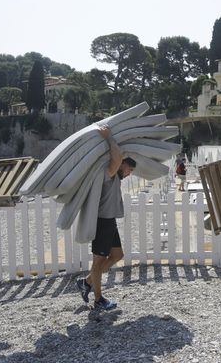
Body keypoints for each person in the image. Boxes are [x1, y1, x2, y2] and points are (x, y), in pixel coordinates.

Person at [76, 125, 136, 310]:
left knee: (118, 255)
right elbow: (117, 157)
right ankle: (98, 300)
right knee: (98, 261)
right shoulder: (109, 173)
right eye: (129, 169)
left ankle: (86, 282)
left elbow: (119, 159)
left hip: (109, 221)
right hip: (102, 221)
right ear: (122, 165)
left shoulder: (116, 177)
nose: (129, 173)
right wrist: (109, 136)